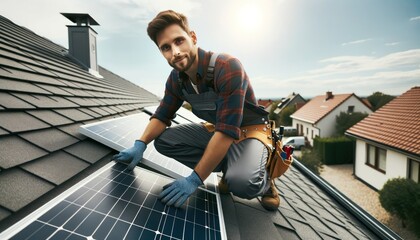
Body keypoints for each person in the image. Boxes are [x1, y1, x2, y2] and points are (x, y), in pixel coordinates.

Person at [113, 10, 280, 211]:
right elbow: (162, 116)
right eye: (166, 47)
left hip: (251, 132)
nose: (174, 52)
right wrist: (140, 144)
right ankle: (231, 168)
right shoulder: (176, 80)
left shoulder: (227, 67)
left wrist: (195, 179)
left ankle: (265, 183)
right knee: (165, 141)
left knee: (242, 184)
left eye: (179, 41)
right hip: (219, 130)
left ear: (192, 37)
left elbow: (227, 131)